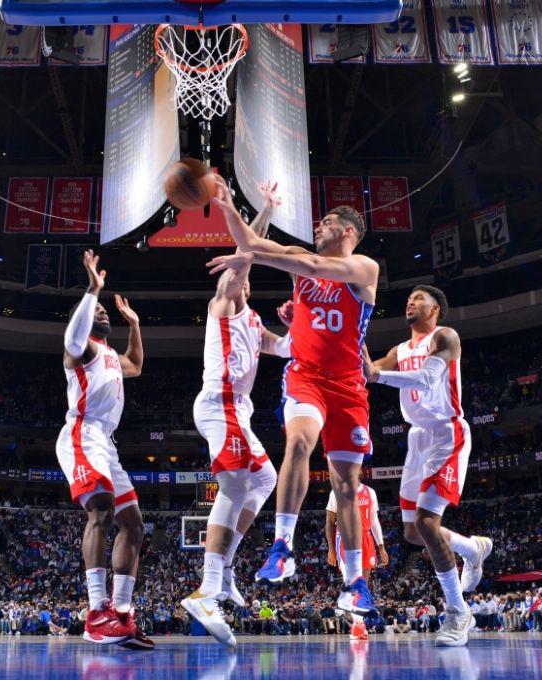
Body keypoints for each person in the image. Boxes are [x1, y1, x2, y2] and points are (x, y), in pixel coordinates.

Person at [207, 178, 380, 617]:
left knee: (346, 486)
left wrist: (257, 255)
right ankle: (282, 546)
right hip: (306, 377)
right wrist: (229, 206)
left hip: (349, 388)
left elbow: (316, 271)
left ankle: (354, 582)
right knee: (300, 442)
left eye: (326, 223)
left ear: (347, 232)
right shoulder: (302, 261)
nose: (317, 227)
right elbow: (248, 239)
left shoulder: (363, 268)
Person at [181, 182, 286, 648]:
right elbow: (248, 248)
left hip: (238, 411)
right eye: (239, 270)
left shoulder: (255, 320)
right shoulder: (221, 304)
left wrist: (302, 330)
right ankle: (206, 587)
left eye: (244, 274)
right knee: (237, 485)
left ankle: (222, 576)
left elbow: (285, 348)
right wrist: (258, 212)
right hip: (218, 404)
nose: (241, 275)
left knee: (264, 481)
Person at [363, 285, 489, 647]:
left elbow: (427, 379)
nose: (411, 301)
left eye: (420, 298)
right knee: (413, 534)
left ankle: (457, 611)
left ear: (435, 309)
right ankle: (471, 548)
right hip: (417, 439)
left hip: (447, 433)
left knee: (425, 522)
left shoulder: (445, 337)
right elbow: (366, 369)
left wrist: (375, 375)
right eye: (410, 298)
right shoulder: (399, 350)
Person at [57, 250, 153, 650]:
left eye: (104, 311)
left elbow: (137, 364)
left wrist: (134, 325)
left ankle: (122, 614)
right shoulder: (81, 351)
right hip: (81, 435)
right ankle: (96, 614)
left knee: (134, 524)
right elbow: (71, 336)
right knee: (101, 508)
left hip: (106, 444)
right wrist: (92, 291)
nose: (103, 314)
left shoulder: (112, 356)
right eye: (98, 312)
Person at [325, 482, 388, 641]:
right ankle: (358, 624)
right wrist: (331, 548)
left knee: (363, 585)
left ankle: (358, 622)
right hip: (345, 537)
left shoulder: (369, 491)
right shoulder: (337, 492)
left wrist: (381, 546)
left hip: (366, 537)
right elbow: (329, 522)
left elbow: (374, 520)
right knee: (353, 581)